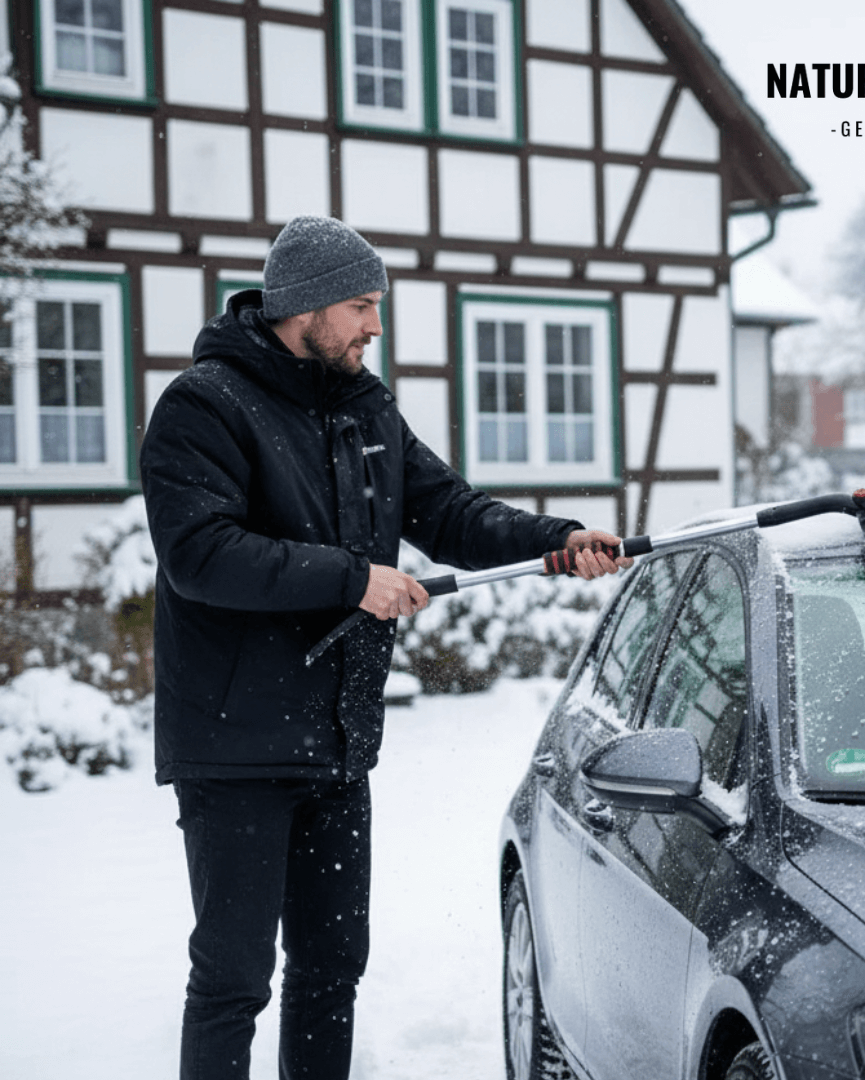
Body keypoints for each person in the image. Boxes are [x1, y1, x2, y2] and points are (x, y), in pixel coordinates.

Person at [139, 214, 631, 1080]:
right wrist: (351, 577)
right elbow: (199, 556)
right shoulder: (205, 404)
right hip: (235, 747)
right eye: (363, 306)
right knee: (234, 979)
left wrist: (556, 539)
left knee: (332, 968)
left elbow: (448, 511)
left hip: (335, 741)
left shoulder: (363, 406)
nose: (374, 325)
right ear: (307, 307)